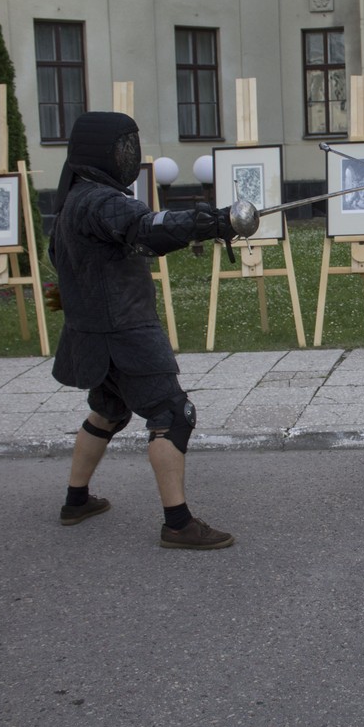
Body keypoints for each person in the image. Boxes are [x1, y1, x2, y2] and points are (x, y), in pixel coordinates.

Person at [49, 111, 236, 550]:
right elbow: (146, 227)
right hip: (124, 331)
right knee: (172, 415)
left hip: (93, 332)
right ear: (100, 152)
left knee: (109, 411)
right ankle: (178, 524)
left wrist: (203, 225)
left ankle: (76, 501)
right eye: (122, 148)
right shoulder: (99, 200)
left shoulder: (74, 199)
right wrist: (207, 223)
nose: (128, 156)